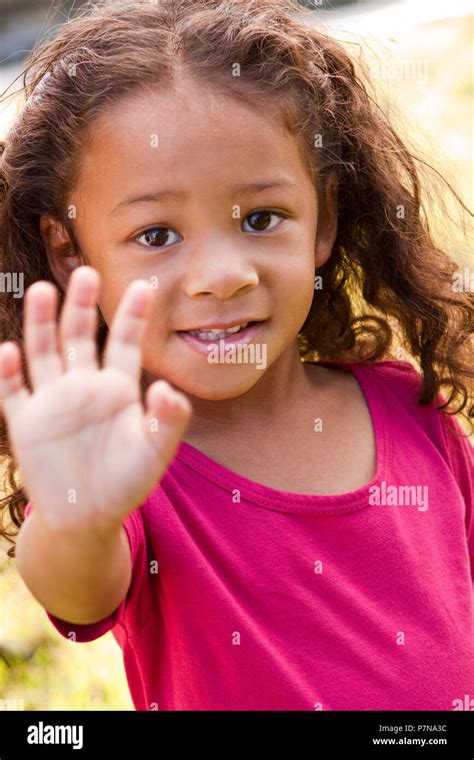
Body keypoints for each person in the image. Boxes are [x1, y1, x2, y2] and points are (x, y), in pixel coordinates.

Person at [0, 0, 472, 711]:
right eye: (157, 234)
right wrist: (76, 515)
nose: (223, 274)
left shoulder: (412, 412)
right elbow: (76, 587)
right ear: (70, 251)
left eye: (260, 219)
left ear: (325, 220)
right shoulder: (128, 465)